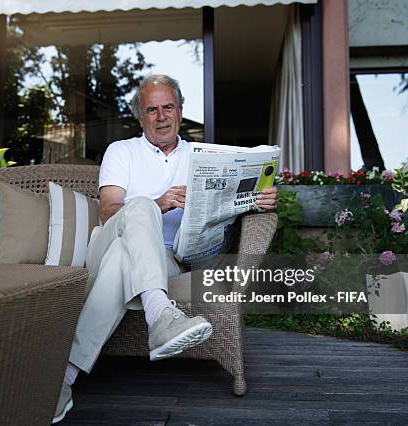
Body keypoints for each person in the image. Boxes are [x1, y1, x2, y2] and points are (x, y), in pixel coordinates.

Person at [53, 74, 278, 423]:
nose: (161, 116)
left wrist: (260, 200)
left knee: (121, 263)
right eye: (151, 109)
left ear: (180, 111)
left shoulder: (204, 156)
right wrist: (157, 203)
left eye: (168, 107)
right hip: (109, 241)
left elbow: (235, 203)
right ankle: (161, 315)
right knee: (139, 209)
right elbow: (109, 210)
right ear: (141, 118)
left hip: (168, 260)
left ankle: (62, 380)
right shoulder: (122, 151)